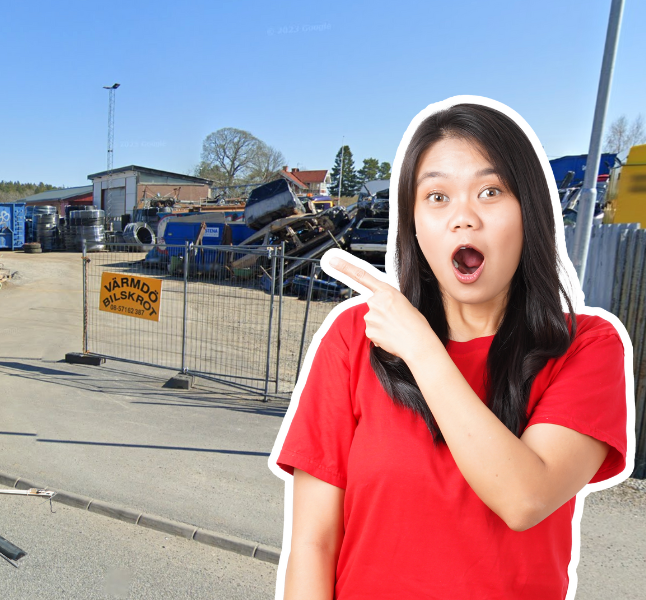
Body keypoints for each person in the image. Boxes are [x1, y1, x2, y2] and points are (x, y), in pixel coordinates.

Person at [270, 99, 632, 599]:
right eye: (437, 197)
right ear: (414, 226)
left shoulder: (586, 348)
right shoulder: (356, 338)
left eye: (490, 191)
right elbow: (313, 543)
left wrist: (422, 348)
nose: (463, 218)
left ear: (529, 210)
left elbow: (525, 497)